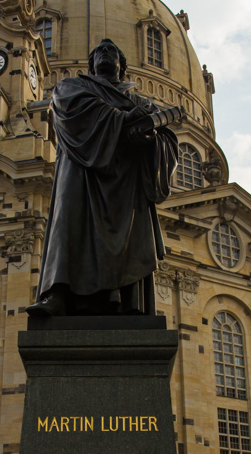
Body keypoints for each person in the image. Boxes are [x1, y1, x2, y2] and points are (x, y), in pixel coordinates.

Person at [28, 38, 179, 317]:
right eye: (100, 51)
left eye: (112, 51)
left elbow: (167, 140)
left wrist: (149, 137)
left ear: (122, 67)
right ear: (91, 64)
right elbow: (76, 112)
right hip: (81, 173)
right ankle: (58, 293)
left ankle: (127, 302)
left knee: (128, 236)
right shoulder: (72, 86)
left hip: (126, 183)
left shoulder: (141, 102)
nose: (106, 54)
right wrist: (128, 120)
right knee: (69, 224)